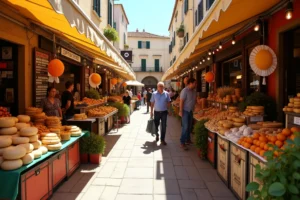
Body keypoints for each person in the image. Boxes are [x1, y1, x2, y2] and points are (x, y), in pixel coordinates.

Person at [179, 78, 197, 150]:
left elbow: (194, 101)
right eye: (195, 83)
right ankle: (182, 142)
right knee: (185, 127)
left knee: (189, 126)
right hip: (185, 111)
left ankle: (188, 140)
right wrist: (181, 111)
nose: (196, 84)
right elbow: (181, 101)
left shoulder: (194, 91)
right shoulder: (184, 91)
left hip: (191, 111)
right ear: (190, 83)